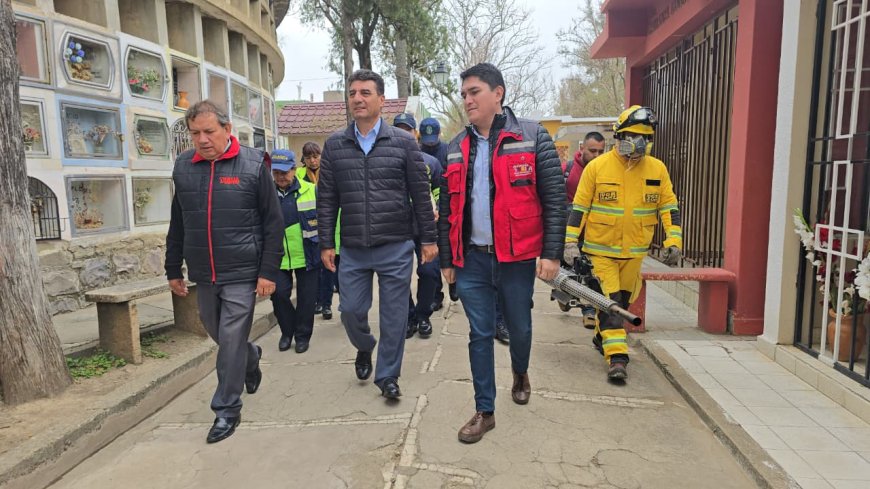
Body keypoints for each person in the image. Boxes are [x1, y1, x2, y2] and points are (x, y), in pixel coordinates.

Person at [438, 63, 566, 443]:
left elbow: (554, 199)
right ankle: (485, 410)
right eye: (463, 94)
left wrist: (551, 253)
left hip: (516, 257)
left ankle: (520, 371)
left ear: (498, 93)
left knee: (519, 328)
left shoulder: (532, 136)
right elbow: (446, 209)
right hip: (472, 259)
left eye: (474, 91)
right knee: (479, 333)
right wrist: (447, 259)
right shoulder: (455, 147)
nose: (467, 100)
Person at [165, 100, 284, 444]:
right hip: (204, 272)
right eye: (195, 133)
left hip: (243, 271)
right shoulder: (184, 166)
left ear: (227, 129)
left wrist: (268, 271)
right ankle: (251, 356)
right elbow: (179, 220)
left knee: (230, 338)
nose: (202, 139)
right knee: (218, 332)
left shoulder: (253, 164)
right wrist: (173, 267)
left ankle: (226, 409)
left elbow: (273, 222)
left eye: (209, 131)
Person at [317, 69, 437, 400]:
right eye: (352, 93)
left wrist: (428, 239)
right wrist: (326, 242)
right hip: (353, 248)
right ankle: (364, 345)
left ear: (381, 100)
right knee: (350, 311)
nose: (357, 98)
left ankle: (387, 376)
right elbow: (326, 199)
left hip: (395, 245)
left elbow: (420, 194)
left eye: (365, 93)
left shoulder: (403, 142)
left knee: (394, 316)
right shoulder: (335, 145)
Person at [563, 105, 683, 381]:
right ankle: (618, 358)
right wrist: (570, 242)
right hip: (600, 253)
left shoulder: (657, 169)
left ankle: (601, 337)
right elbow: (579, 209)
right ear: (619, 136)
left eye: (646, 137)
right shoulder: (597, 168)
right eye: (633, 136)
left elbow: (669, 207)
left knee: (621, 303)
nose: (640, 143)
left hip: (634, 255)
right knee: (612, 304)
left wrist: (674, 240)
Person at [392, 113, 442, 340]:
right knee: (399, 277)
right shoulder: (385, 162)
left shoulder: (430, 163)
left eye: (408, 130)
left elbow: (439, 191)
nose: (403, 134)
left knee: (429, 273)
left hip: (425, 228)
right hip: (397, 228)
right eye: (398, 130)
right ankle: (409, 317)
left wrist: (438, 209)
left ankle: (423, 316)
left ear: (415, 134)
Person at [270, 149, 320, 354]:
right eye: (276, 173)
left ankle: (302, 336)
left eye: (285, 172)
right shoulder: (266, 193)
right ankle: (287, 331)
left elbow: (326, 219)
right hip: (277, 257)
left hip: (308, 254)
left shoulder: (311, 190)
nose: (281, 177)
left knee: (307, 300)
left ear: (294, 169)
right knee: (279, 295)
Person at [564, 132, 606, 328]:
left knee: (589, 272)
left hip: (593, 234)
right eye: (592, 150)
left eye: (600, 151)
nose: (596, 155)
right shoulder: (567, 170)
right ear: (582, 148)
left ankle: (589, 310)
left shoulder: (605, 171)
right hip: (570, 232)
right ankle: (565, 294)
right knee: (569, 271)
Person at [300, 142, 341, 321]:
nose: (313, 161)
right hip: (308, 230)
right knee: (315, 269)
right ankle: (318, 301)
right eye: (308, 157)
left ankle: (327, 304)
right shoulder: (299, 176)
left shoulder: (330, 172)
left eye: (315, 156)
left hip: (331, 229)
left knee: (330, 269)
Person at [419, 117, 448, 311]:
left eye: (433, 139)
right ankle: (436, 296)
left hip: (447, 204)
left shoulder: (448, 150)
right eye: (426, 140)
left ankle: (454, 283)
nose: (430, 144)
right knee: (432, 260)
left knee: (448, 251)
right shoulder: (416, 153)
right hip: (428, 214)